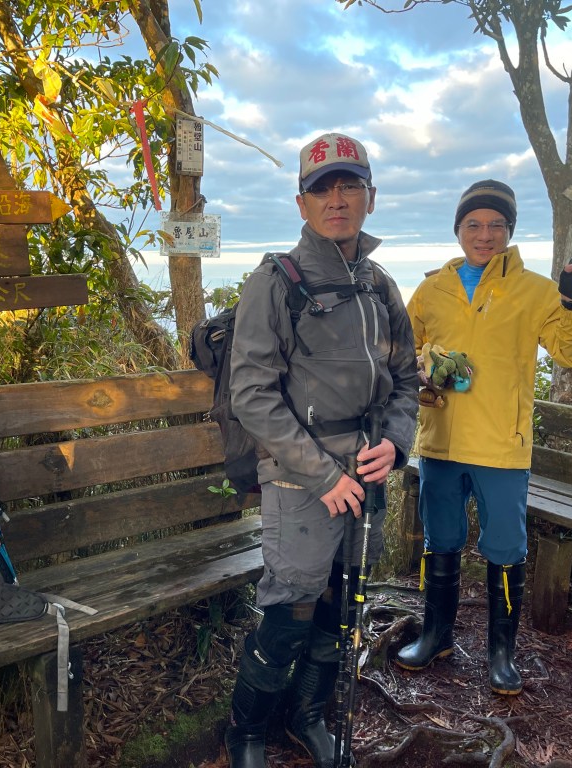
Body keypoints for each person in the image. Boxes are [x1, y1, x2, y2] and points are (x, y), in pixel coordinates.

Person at [223, 133, 420, 768]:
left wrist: (396, 443)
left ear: (370, 197)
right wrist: (322, 475)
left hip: (368, 473)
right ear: (302, 203)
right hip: (300, 478)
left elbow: (406, 380)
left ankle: (305, 715)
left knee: (342, 605)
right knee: (291, 609)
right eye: (321, 189)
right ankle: (246, 733)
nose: (337, 199)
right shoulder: (276, 281)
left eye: (349, 186)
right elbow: (252, 395)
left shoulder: (379, 285)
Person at [397, 179, 572, 696]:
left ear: (509, 231)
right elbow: (400, 353)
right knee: (440, 541)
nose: (484, 235)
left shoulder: (535, 290)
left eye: (495, 225)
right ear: (458, 230)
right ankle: (436, 636)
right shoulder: (432, 290)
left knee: (505, 548)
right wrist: (424, 367)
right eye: (473, 224)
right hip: (441, 440)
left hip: (502, 447)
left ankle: (501, 653)